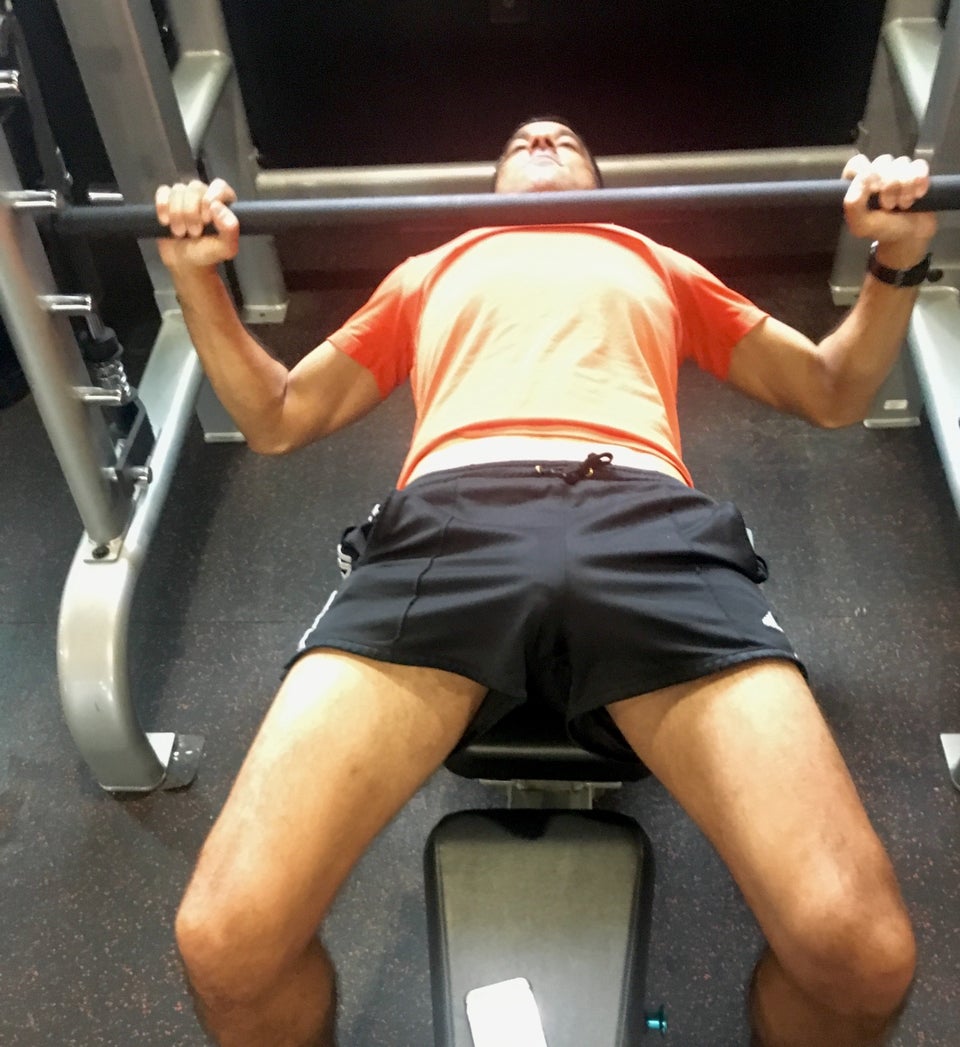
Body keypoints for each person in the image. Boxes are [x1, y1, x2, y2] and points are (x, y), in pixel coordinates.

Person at [156, 119, 937, 1047]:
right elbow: (279, 414)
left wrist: (895, 261)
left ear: (597, 181)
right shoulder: (432, 268)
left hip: (645, 524)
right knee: (226, 943)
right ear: (489, 185)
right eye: (523, 139)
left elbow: (832, 388)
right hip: (447, 527)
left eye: (564, 139)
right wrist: (195, 276)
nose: (541, 139)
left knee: (862, 955)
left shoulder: (650, 259)